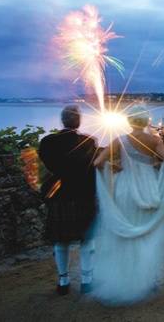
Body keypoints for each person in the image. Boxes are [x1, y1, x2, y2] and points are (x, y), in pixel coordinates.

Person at [92, 105, 164, 304]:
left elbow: (97, 163)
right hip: (148, 190)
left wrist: (114, 165)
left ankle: (128, 277)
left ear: (129, 121)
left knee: (127, 237)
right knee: (147, 235)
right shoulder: (155, 140)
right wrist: (155, 165)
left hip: (125, 191)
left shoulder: (119, 140)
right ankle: (150, 278)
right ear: (147, 121)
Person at [38, 105, 98, 296]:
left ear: (62, 121)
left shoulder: (47, 142)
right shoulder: (89, 141)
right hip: (83, 196)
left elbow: (46, 166)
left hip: (59, 196)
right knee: (87, 240)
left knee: (60, 240)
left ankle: (63, 281)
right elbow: (92, 167)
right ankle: (87, 281)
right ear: (79, 121)